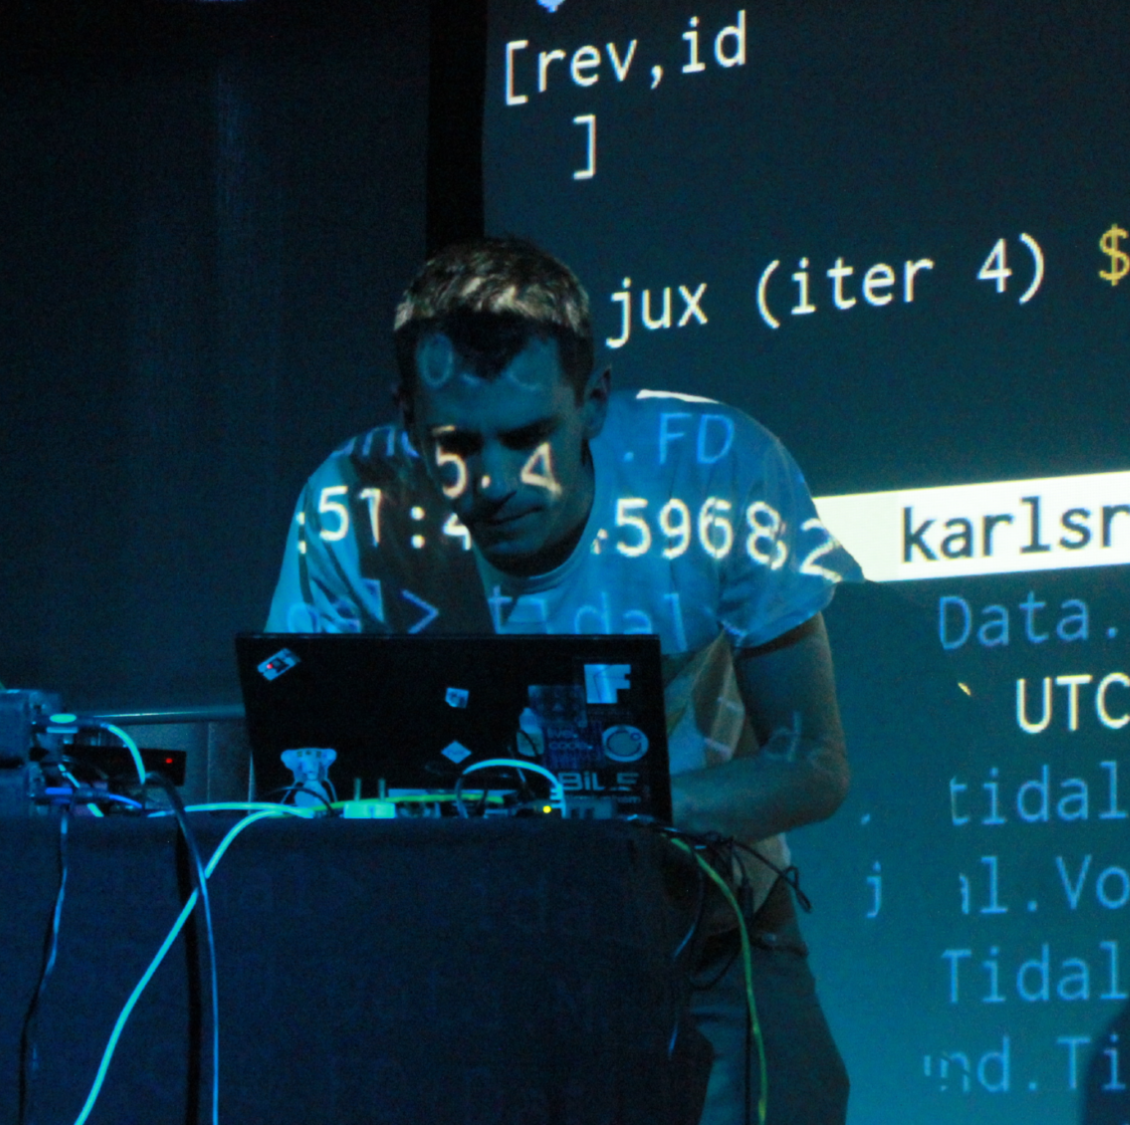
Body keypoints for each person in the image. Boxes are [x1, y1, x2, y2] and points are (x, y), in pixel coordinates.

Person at [266, 236, 857, 1123]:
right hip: (459, 945)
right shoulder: (354, 505)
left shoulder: (717, 468)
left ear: (594, 401)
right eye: (456, 445)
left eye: (529, 436)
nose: (497, 481)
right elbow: (299, 785)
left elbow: (815, 764)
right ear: (405, 415)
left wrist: (615, 818)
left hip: (705, 919)